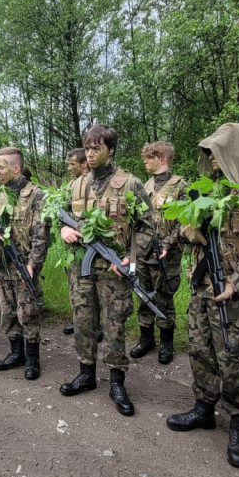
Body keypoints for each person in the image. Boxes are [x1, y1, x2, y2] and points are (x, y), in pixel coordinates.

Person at [166, 123, 239, 469]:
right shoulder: (206, 193)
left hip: (234, 294)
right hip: (202, 289)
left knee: (233, 355)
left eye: (217, 153)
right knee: (200, 349)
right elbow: (182, 237)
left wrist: (235, 283)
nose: (211, 160)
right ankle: (203, 408)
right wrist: (189, 233)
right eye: (208, 154)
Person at [59, 124, 155, 417]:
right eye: (86, 148)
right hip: (81, 268)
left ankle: (117, 382)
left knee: (114, 325)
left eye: (96, 148)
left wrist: (131, 259)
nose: (89, 154)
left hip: (114, 268)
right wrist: (63, 228)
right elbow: (58, 216)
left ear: (110, 150)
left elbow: (147, 226)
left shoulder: (129, 183)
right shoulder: (76, 184)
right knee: (84, 321)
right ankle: (86, 374)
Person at [0, 147, 50, 380]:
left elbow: (41, 235)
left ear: (16, 168)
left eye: (0, 167)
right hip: (2, 266)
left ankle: (32, 360)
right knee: (7, 310)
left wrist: (33, 264)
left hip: (24, 265)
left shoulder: (36, 195)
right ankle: (16, 353)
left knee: (28, 313)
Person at [131, 141, 187, 365]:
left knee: (164, 298)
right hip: (143, 253)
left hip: (167, 255)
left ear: (162, 158)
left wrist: (168, 244)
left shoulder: (180, 186)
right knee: (143, 296)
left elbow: (184, 222)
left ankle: (166, 342)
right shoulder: (144, 186)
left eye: (149, 157)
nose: (145, 161)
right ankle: (146, 339)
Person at [62, 148, 87, 337]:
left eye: (73, 164)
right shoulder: (70, 185)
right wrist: (64, 227)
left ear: (84, 164)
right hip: (72, 246)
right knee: (73, 283)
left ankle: (94, 324)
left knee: (88, 287)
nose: (70, 167)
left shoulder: (93, 184)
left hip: (90, 246)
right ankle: (77, 317)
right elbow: (60, 213)